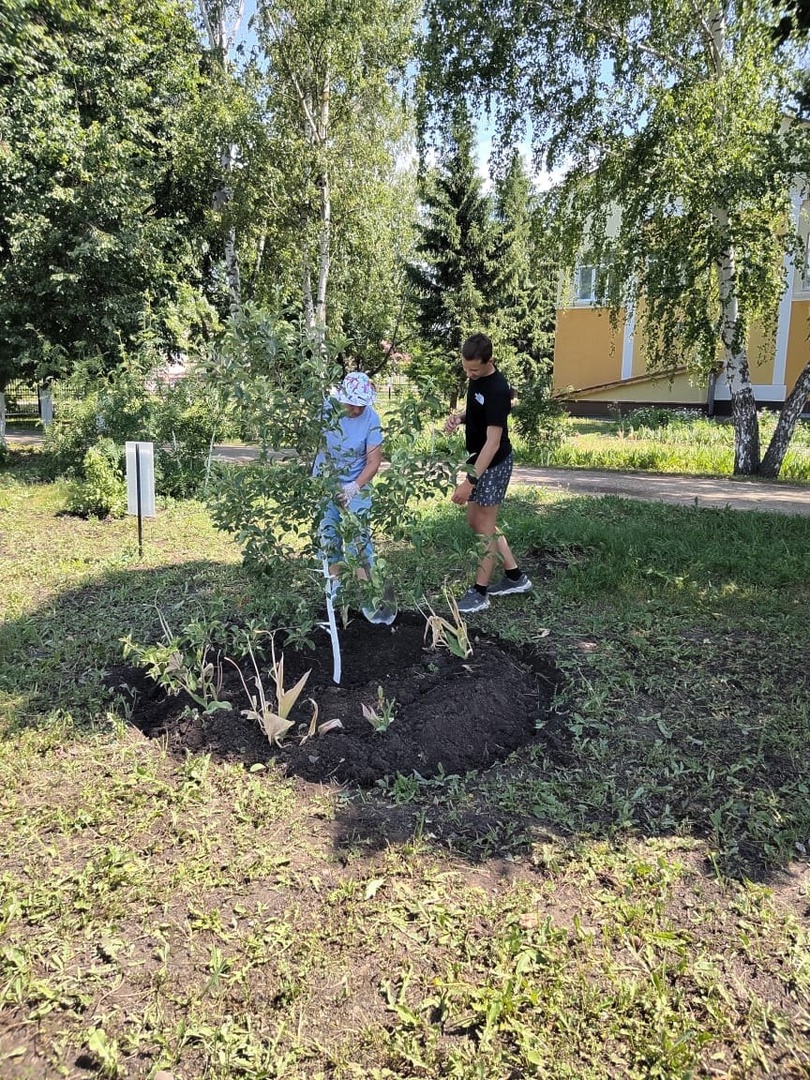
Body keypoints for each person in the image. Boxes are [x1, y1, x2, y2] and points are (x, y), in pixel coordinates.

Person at [444, 332, 532, 614]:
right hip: (478, 459)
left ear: (489, 361)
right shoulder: (478, 381)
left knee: (484, 528)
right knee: (477, 522)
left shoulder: (497, 389)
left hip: (492, 464)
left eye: (474, 369)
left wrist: (469, 482)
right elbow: (478, 413)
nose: (469, 374)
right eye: (465, 368)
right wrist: (459, 418)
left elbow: (493, 443)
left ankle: (479, 593)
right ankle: (515, 577)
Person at [313, 371, 383, 604]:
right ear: (343, 398)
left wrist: (354, 487)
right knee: (329, 534)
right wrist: (325, 483)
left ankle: (366, 594)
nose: (357, 410)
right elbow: (315, 446)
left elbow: (374, 461)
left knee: (359, 539)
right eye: (353, 404)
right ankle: (336, 589)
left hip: (358, 481)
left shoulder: (371, 419)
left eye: (362, 405)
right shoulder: (326, 411)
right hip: (327, 481)